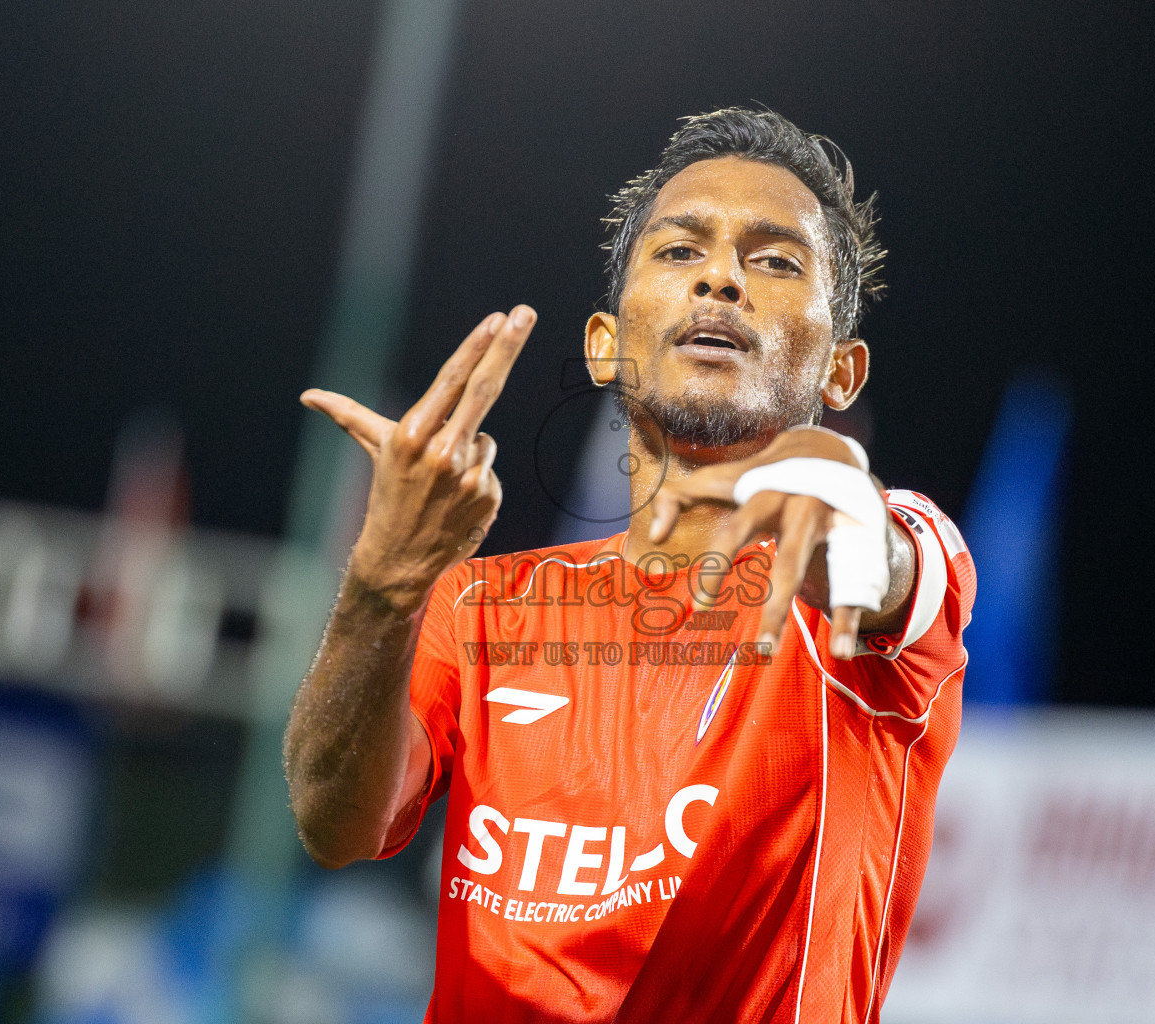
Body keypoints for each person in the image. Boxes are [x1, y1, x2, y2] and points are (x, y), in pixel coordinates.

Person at [284, 107, 975, 1023]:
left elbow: (873, 566)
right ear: (607, 345)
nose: (722, 278)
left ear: (842, 374)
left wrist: (834, 495)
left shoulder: (884, 599)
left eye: (775, 262)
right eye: (680, 251)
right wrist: (384, 583)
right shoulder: (480, 606)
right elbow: (336, 824)